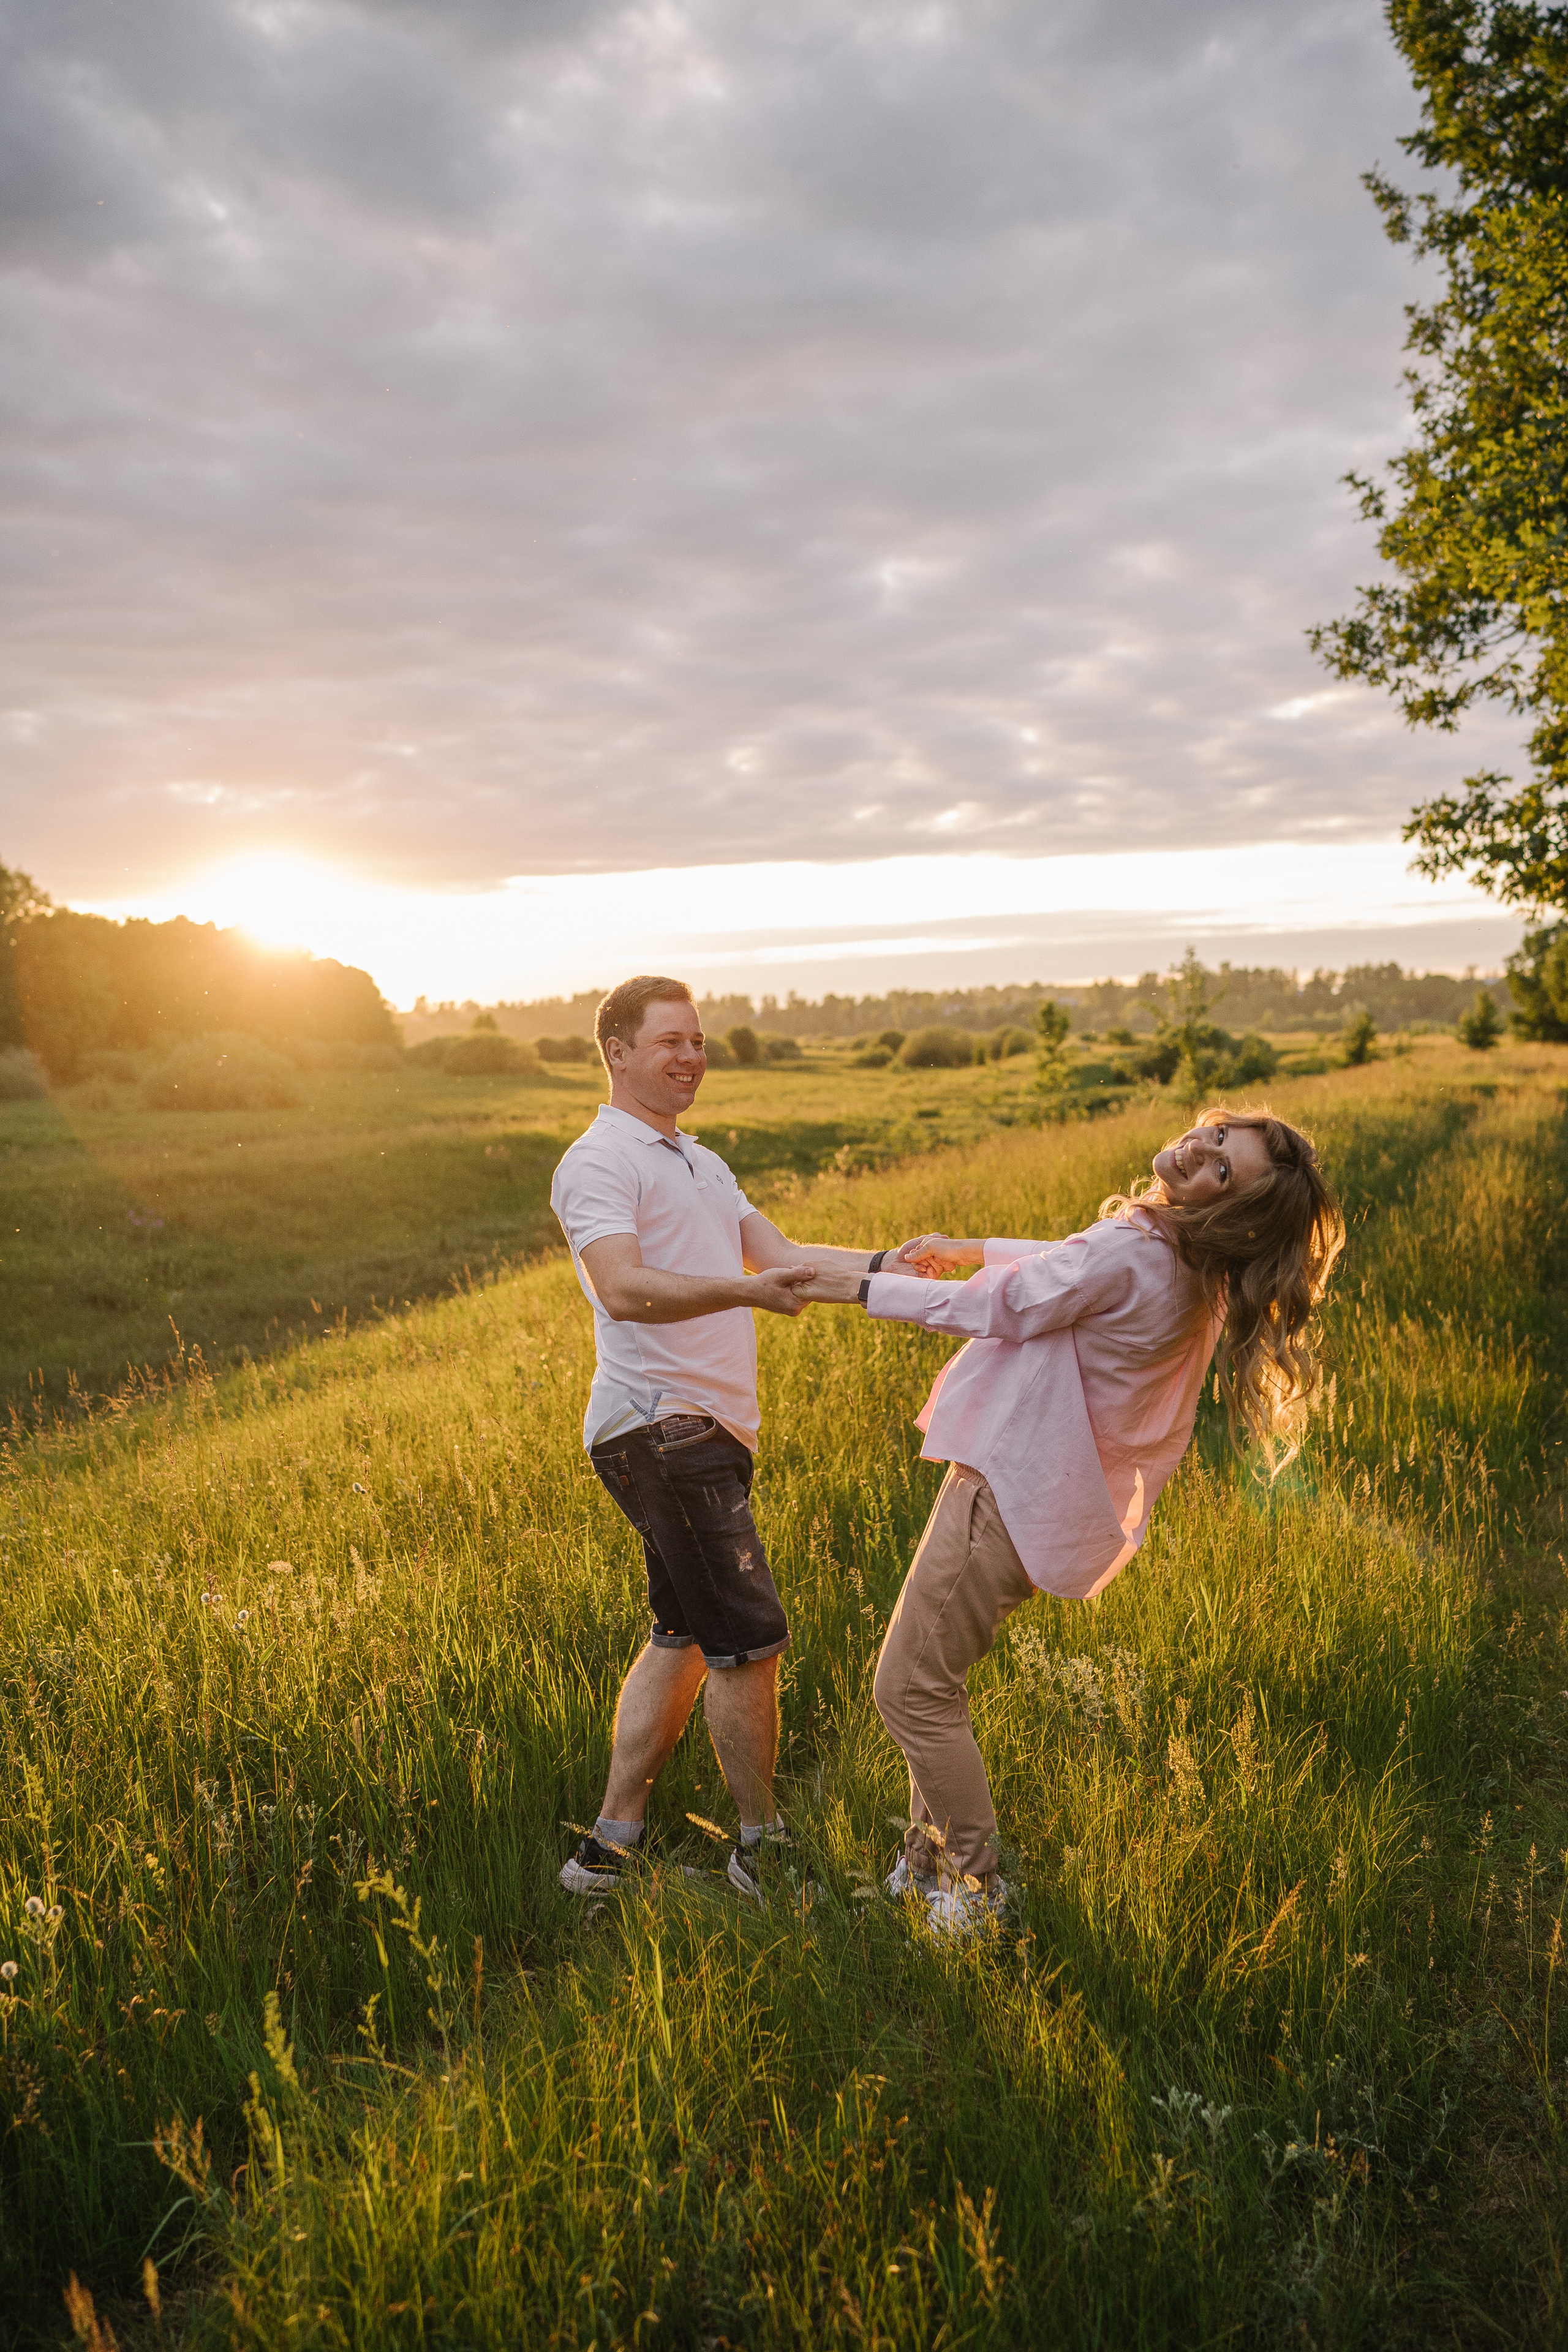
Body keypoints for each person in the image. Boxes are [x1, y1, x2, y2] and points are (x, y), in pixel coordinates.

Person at [797, 1107, 1344, 1934]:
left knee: (908, 1689)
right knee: (933, 1681)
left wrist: (852, 1285)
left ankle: (976, 1892)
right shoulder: (1177, 1256)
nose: (1201, 1152)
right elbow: (1071, 1263)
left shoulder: (1143, 1252)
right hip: (1028, 1492)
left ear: (1225, 1210)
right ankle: (926, 1864)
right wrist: (973, 1249)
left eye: (1222, 1171)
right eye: (1219, 1136)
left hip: (1006, 1490)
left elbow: (1010, 1305)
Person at [551, 974, 906, 1901]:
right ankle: (763, 1851)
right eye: (669, 1041)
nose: (691, 1056)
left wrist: (885, 1269)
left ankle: (607, 1854)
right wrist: (746, 1290)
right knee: (748, 1640)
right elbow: (623, 1288)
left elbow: (783, 1261)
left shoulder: (699, 1162)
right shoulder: (599, 1162)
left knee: (681, 1636)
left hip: (701, 1432)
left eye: (699, 1040)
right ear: (618, 1052)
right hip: (664, 1428)